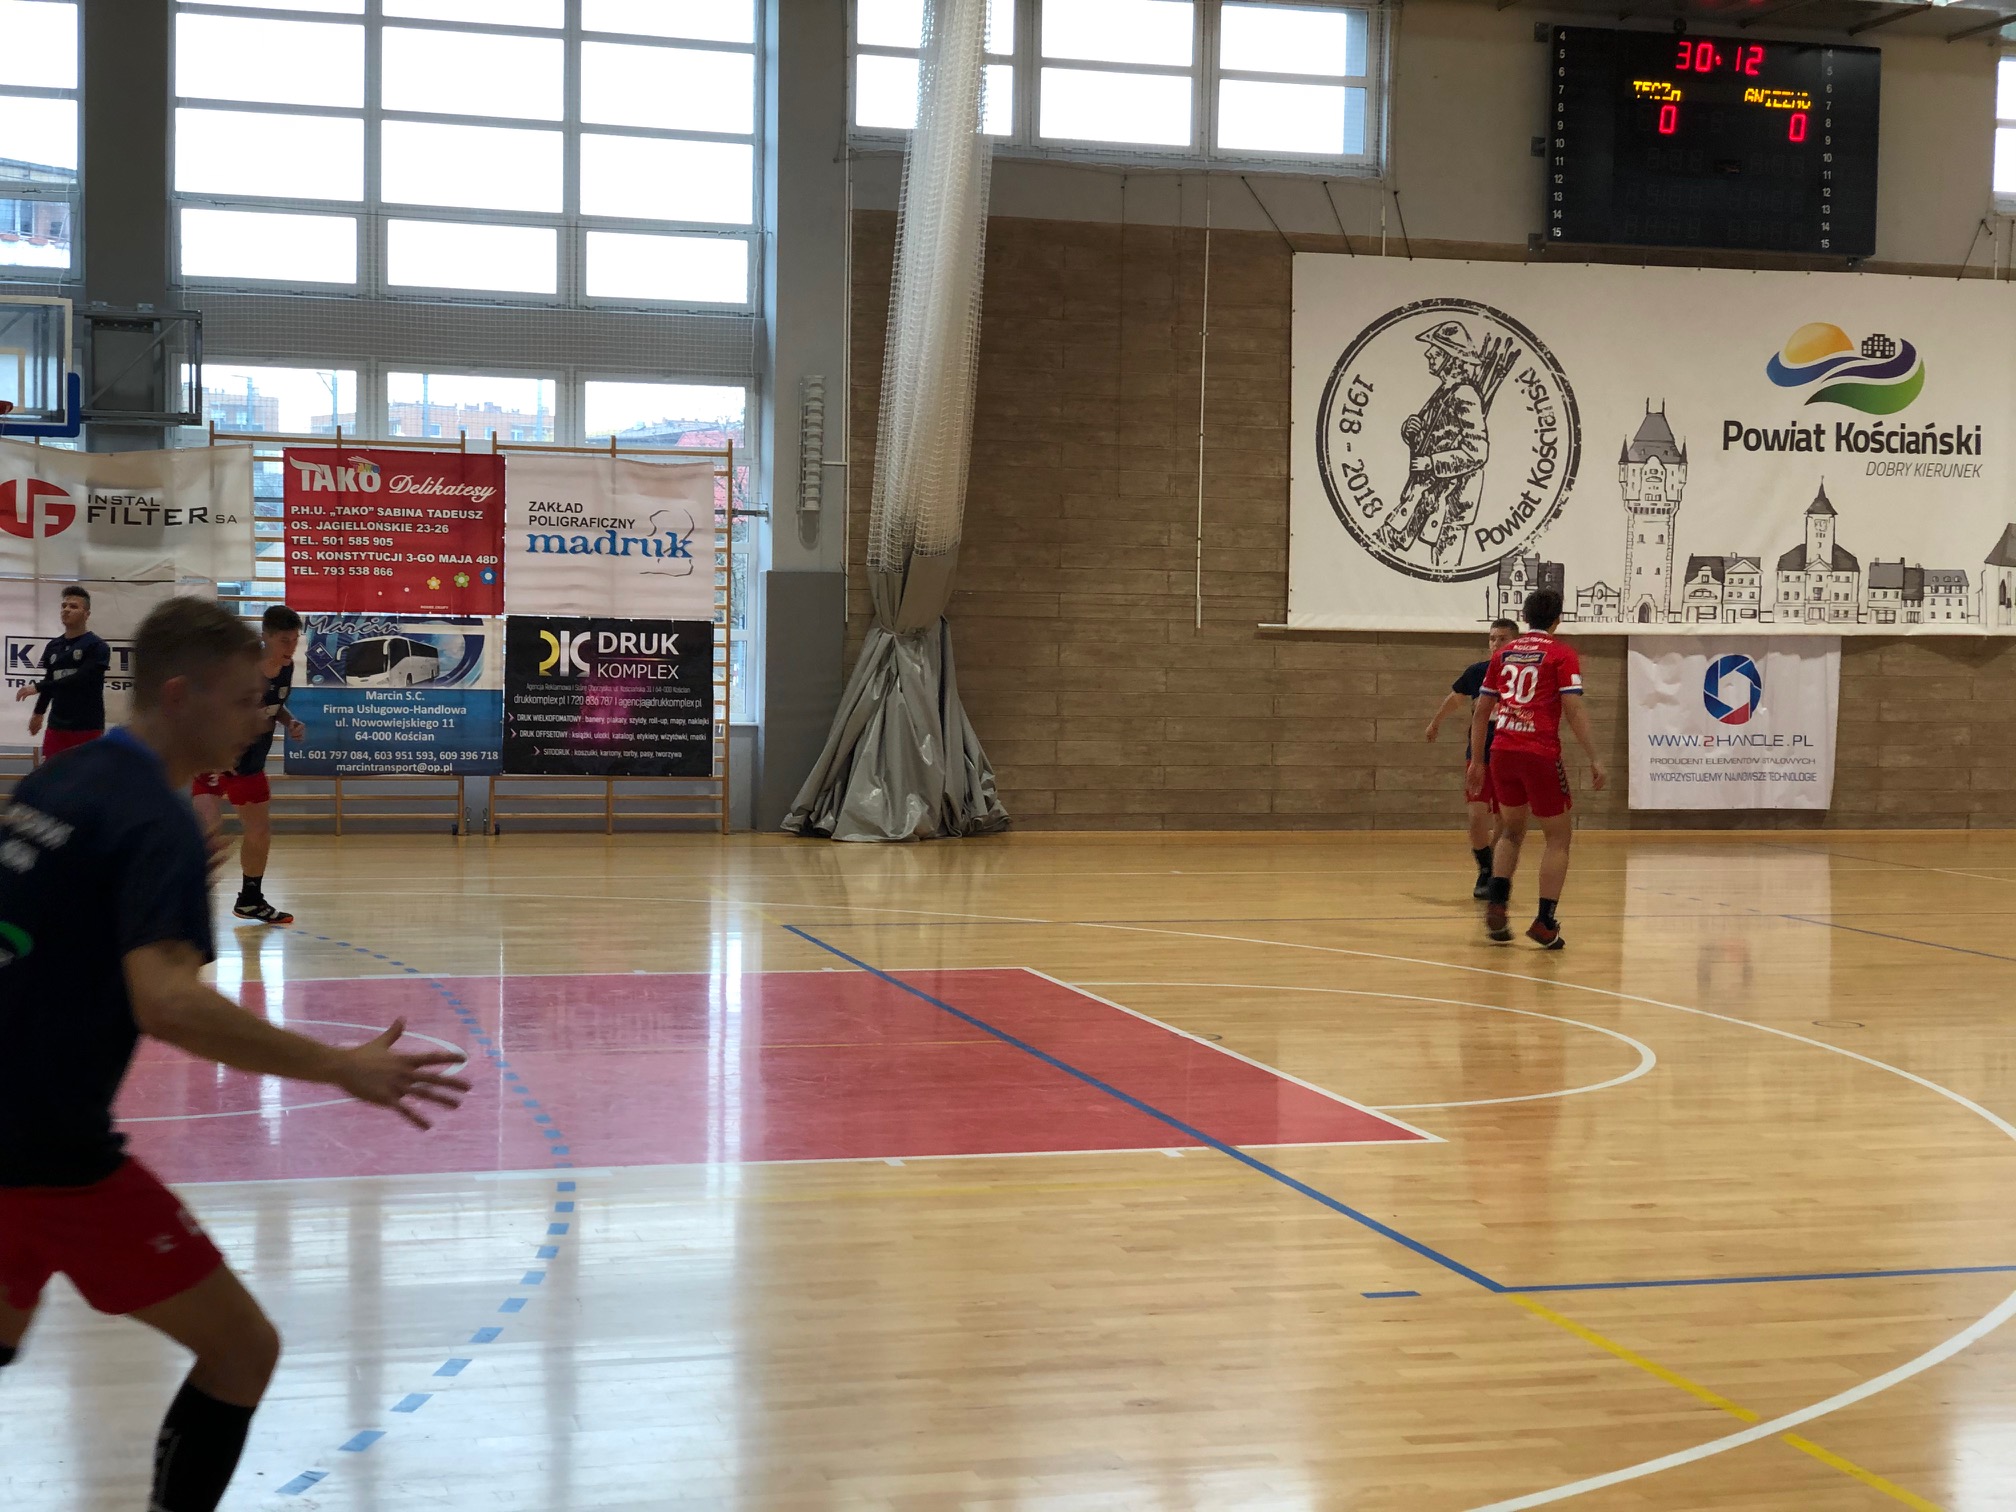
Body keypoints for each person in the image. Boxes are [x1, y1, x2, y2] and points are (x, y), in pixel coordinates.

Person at [0, 595, 468, 1512]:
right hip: (50, 1155)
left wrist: (151, 886)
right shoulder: (156, 821)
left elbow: (47, 918)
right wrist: (340, 1067)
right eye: (248, 698)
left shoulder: (63, 780)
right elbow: (170, 1005)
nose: (262, 716)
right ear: (183, 695)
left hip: (14, 1127)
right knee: (243, 1352)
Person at [1465, 588, 1606, 949]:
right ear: (1558, 619)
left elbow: (1481, 712)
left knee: (1511, 830)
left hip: (1501, 750)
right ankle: (1544, 922)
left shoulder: (1504, 654)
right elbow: (1573, 709)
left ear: (1525, 617)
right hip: (1539, 752)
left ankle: (1497, 902)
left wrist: (1477, 761)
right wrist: (1594, 756)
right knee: (1558, 838)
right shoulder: (1561, 654)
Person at [192, 605, 305, 926]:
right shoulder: (242, 669)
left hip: (250, 764)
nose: (291, 647)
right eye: (284, 640)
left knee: (259, 832)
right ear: (266, 637)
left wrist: (290, 721)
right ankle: (186, 902)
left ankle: (250, 900)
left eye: (295, 640)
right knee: (207, 835)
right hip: (217, 760)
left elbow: (274, 706)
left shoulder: (285, 668)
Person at [1426, 617, 1519, 899]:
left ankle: (1493, 870)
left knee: (1505, 816)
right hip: (1480, 751)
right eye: (1492, 638)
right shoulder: (1478, 671)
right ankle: (1485, 865)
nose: (1496, 643)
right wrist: (1435, 722)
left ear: (1515, 641)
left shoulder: (1523, 674)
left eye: (1502, 638)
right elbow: (1456, 698)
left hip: (1511, 750)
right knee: (1477, 816)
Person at [14, 584, 109, 762]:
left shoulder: (97, 646)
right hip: (57, 725)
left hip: (87, 726)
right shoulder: (53, 646)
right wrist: (38, 712)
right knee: (52, 775)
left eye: (73, 606)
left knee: (84, 776)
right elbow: (50, 679)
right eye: (64, 606)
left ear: (86, 614)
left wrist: (38, 687)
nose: (66, 610)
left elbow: (80, 679)